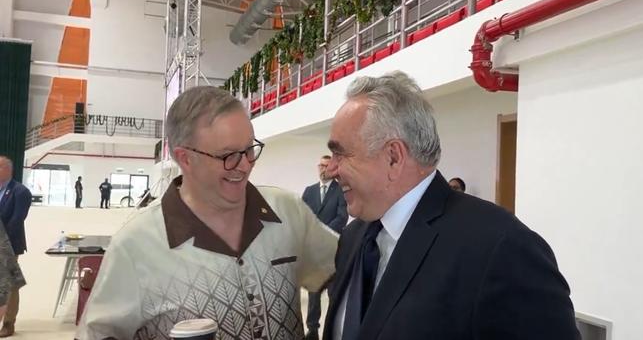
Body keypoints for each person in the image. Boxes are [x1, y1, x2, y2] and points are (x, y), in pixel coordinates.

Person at [322, 72, 580, 340]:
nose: (331, 169)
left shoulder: (501, 249)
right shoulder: (353, 239)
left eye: (340, 153)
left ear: (393, 157)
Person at [77, 86, 338, 340]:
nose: (245, 165)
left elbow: (348, 271)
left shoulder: (286, 211)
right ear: (185, 158)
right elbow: (98, 333)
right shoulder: (135, 245)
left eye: (249, 149)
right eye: (228, 156)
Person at [301, 155, 348, 340]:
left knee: (334, 293)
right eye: (320, 165)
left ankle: (332, 329)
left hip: (334, 248)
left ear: (332, 168)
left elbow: (342, 217)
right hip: (314, 251)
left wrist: (321, 231)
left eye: (326, 166)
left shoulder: (340, 190)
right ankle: (312, 330)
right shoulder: (309, 191)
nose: (322, 169)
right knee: (314, 292)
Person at [0, 156, 32, 337]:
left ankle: (9, 323)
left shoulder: (20, 192)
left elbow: (16, 221)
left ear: (6, 169)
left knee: (9, 285)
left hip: (8, 245)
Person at [0, 221, 26, 326]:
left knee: (10, 282)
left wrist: (3, 239)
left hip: (8, 243)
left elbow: (18, 218)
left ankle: (9, 322)